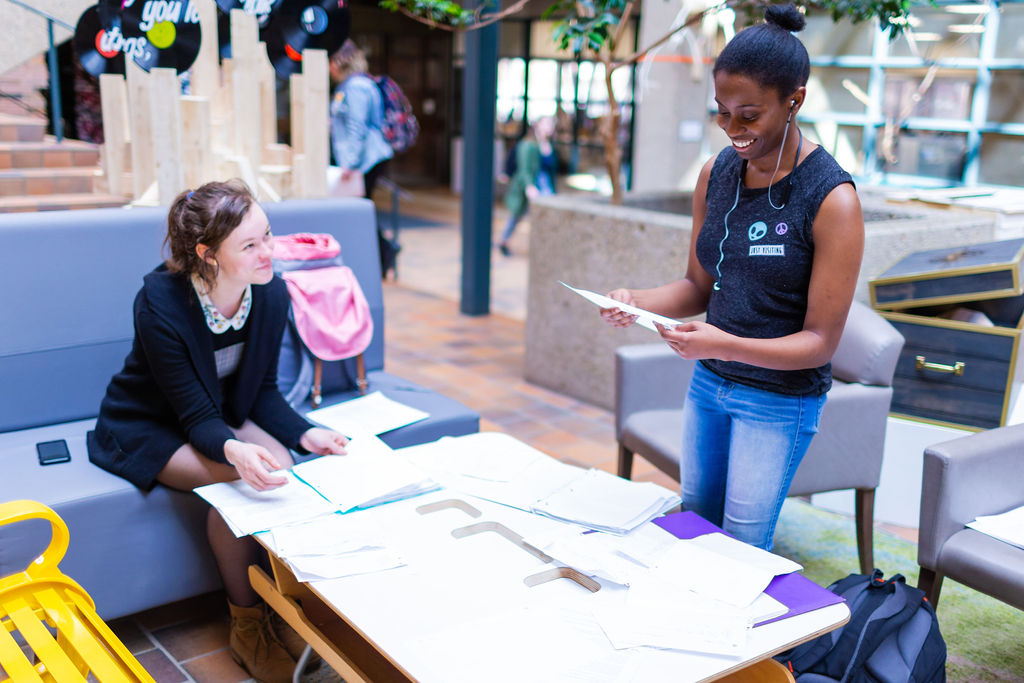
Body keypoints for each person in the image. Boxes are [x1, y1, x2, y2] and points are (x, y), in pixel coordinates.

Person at [600, 4, 864, 551]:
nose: (731, 129)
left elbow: (820, 344)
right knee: (696, 522)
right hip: (709, 385)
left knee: (741, 545)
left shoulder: (831, 199)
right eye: (721, 112)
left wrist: (723, 343)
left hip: (778, 399)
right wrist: (638, 301)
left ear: (795, 99)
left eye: (748, 115)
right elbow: (697, 287)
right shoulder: (716, 174)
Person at [87, 179, 349, 682]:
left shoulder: (269, 294)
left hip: (219, 416)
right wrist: (236, 451)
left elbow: (262, 393)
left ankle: (280, 609)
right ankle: (247, 626)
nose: (269, 252)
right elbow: (194, 419)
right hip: (150, 425)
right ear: (207, 253)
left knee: (286, 469)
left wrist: (305, 433)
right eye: (250, 245)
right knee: (237, 484)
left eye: (268, 236)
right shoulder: (161, 303)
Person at [328, 40, 398, 277]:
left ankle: (384, 253)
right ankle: (383, 253)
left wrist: (349, 164)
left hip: (364, 161)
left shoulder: (356, 86)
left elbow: (357, 128)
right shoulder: (351, 85)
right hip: (362, 160)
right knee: (361, 210)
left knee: (359, 210)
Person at [497, 116, 557, 257]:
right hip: (530, 186)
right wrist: (529, 186)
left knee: (544, 218)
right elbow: (524, 168)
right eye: (546, 124)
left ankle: (543, 247)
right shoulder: (528, 144)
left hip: (545, 187)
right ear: (537, 126)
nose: (549, 127)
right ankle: (503, 242)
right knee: (516, 217)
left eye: (551, 124)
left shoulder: (549, 145)